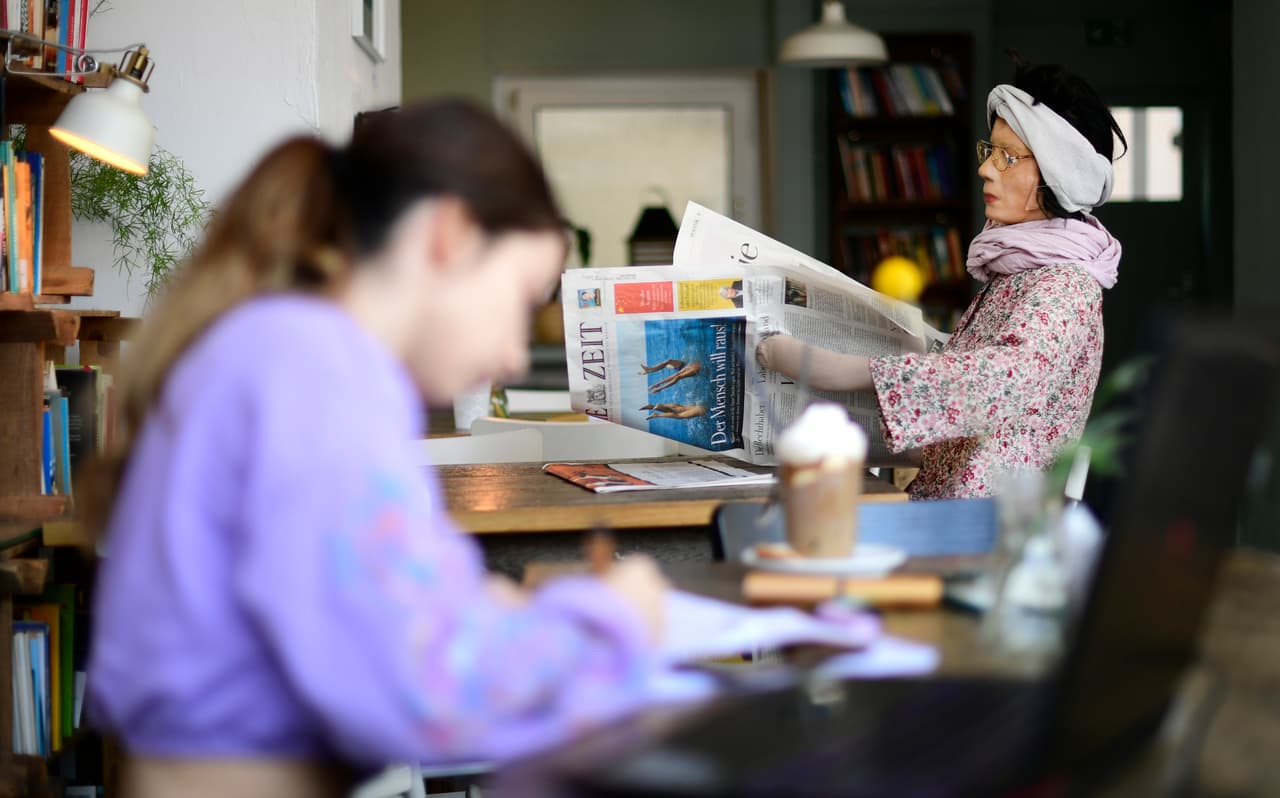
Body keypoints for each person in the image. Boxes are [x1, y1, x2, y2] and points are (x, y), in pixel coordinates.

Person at [84, 100, 668, 798]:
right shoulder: (317, 371)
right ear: (450, 235)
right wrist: (612, 625)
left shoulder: (285, 348)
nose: (516, 356)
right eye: (521, 297)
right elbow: (420, 693)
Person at [758, 55, 1125, 499]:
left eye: (1009, 157)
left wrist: (850, 372)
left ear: (1058, 176)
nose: (986, 169)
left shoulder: (1066, 285)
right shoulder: (1019, 272)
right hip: (950, 512)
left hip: (987, 536)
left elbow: (1006, 380)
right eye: (990, 151)